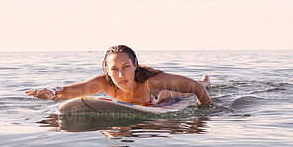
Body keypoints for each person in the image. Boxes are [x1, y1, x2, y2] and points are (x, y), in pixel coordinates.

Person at [26, 45, 212, 106]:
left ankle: (206, 79)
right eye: (114, 69)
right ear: (106, 71)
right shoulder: (103, 83)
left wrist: (206, 111)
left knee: (195, 86)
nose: (121, 75)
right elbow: (69, 91)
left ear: (135, 66)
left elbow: (196, 89)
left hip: (170, 98)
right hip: (138, 106)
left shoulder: (152, 82)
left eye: (126, 67)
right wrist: (52, 93)